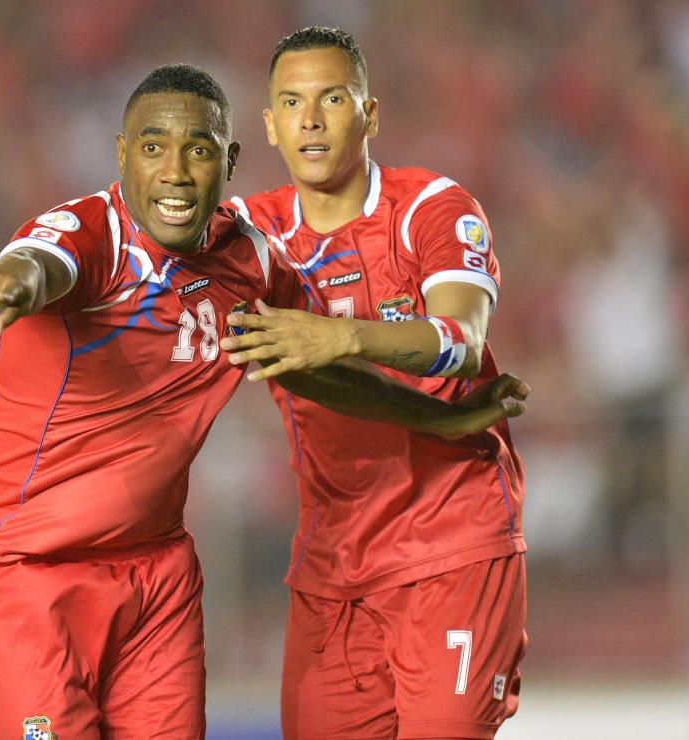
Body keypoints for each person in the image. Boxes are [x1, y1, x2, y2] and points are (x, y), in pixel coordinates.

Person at [0, 63, 529, 739]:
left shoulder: (248, 261)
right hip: (29, 572)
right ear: (120, 155)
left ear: (229, 160)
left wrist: (445, 415)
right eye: (152, 148)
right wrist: (9, 281)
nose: (174, 172)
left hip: (157, 578)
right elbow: (41, 260)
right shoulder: (92, 234)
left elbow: (312, 366)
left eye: (197, 150)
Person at [223, 27, 528, 739]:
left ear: (371, 113)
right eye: (292, 103)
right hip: (333, 570)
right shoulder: (249, 234)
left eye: (332, 98)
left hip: (452, 543)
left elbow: (461, 341)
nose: (311, 120)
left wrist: (343, 333)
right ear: (268, 126)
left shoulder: (431, 207)